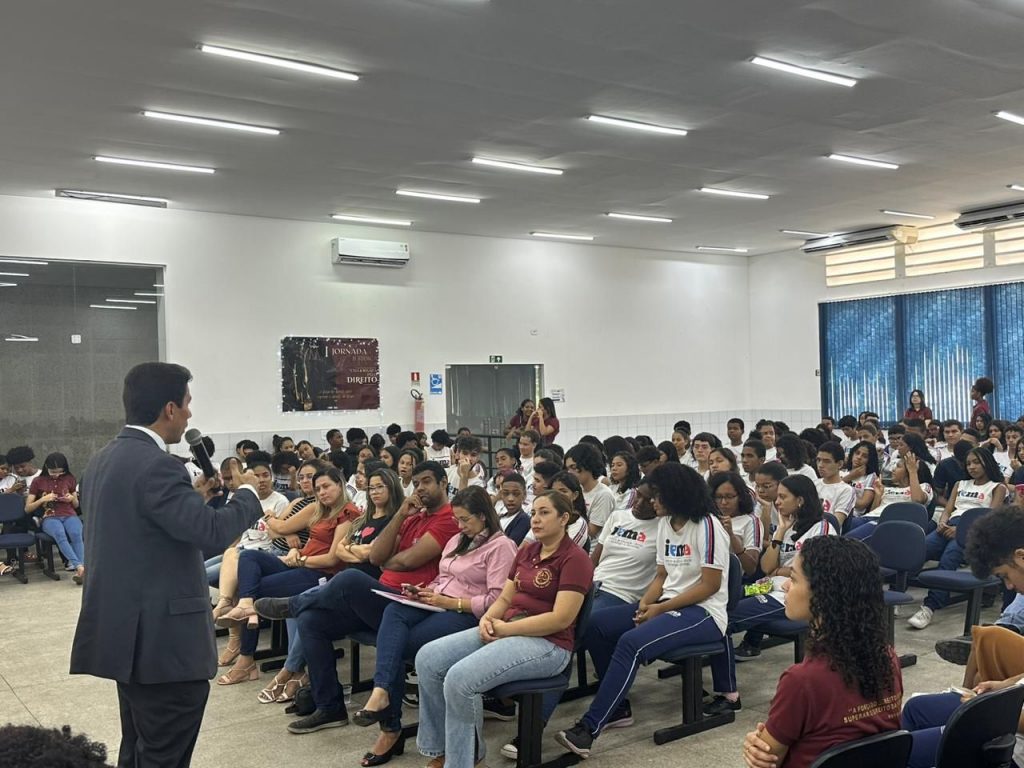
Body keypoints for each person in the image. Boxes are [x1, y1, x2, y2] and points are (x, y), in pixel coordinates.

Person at [70, 362, 263, 768]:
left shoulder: (103, 459)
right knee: (164, 754)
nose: (190, 414)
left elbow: (143, 530)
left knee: (139, 746)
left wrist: (195, 499)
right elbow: (212, 534)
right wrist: (247, 493)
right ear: (170, 408)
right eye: (187, 404)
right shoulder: (158, 464)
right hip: (163, 643)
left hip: (128, 635)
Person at [253, 461, 460, 734]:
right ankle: (329, 707)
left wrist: (386, 560)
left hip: (407, 603)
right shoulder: (413, 516)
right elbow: (377, 556)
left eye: (427, 482)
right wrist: (401, 514)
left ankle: (294, 603)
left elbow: (406, 560)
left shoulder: (448, 518)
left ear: (444, 483)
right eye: (417, 482)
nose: (420, 488)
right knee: (311, 621)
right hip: (382, 594)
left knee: (350, 578)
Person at [555, 463, 730, 757]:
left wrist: (660, 609)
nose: (651, 502)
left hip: (704, 613)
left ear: (675, 495)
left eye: (656, 496)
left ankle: (588, 729)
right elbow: (661, 575)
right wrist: (646, 604)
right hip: (668, 604)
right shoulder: (666, 523)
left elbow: (710, 585)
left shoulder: (707, 526)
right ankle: (618, 706)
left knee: (630, 642)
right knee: (595, 625)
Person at [414, 491, 593, 768]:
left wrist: (506, 629)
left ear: (564, 518)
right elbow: (505, 598)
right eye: (533, 513)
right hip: (507, 627)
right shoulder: (528, 550)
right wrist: (488, 619)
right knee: (428, 658)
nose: (535, 519)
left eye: (544, 512)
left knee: (459, 679)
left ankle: (463, 762)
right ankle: (446, 749)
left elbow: (560, 619)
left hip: (549, 644)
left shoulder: (575, 558)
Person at [350, 487, 518, 766]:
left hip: (468, 614)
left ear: (483, 516)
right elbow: (443, 577)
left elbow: (497, 600)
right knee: (394, 610)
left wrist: (451, 602)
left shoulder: (501, 547)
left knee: (404, 648)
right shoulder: (457, 540)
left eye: (465, 520)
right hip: (438, 602)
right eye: (457, 519)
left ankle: (392, 713)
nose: (460, 526)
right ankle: (382, 692)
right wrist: (424, 591)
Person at [741, 537, 902, 768]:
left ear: (823, 593)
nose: (785, 586)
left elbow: (767, 759)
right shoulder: (887, 657)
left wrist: (756, 746)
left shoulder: (801, 681)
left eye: (793, 579)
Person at [901, 505, 1024, 768]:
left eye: (1005, 576)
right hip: (1009, 718)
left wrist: (989, 711)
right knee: (916, 709)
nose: (1010, 586)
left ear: (1021, 557)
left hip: (1012, 740)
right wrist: (1005, 686)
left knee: (904, 751)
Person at [215, 465, 360, 687]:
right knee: (248, 557)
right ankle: (245, 610)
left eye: (326, 486)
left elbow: (332, 559)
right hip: (299, 563)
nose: (322, 492)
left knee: (252, 589)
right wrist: (295, 552)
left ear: (340, 485)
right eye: (318, 489)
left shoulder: (347, 514)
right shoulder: (319, 510)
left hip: (320, 573)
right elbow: (298, 537)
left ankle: (246, 657)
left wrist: (300, 559)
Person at [712, 475, 836, 701]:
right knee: (719, 605)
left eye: (782, 497)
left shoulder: (822, 528)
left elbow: (810, 572)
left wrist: (780, 571)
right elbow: (766, 566)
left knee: (723, 620)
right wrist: (780, 532)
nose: (777, 502)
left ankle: (728, 696)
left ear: (800, 500)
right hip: (766, 587)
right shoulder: (788, 525)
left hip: (790, 595)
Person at [908, 447, 1007, 629]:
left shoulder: (997, 487)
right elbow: (948, 510)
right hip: (948, 525)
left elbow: (989, 518)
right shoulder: (960, 484)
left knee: (949, 558)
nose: (972, 467)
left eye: (976, 462)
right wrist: (942, 522)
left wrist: (960, 530)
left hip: (973, 530)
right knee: (919, 550)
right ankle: (897, 590)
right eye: (968, 463)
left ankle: (929, 607)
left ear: (987, 463)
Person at [847, 450, 934, 540]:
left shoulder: (924, 486)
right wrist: (878, 495)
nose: (892, 470)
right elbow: (873, 511)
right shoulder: (887, 489)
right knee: (839, 527)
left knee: (849, 539)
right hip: (867, 518)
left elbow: (917, 500)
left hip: (888, 521)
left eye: (898, 466)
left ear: (909, 469)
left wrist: (912, 472)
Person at [25, 452, 84, 583]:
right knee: (60, 534)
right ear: (46, 467)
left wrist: (72, 498)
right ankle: (79, 567)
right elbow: (27, 508)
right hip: (50, 516)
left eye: (60, 472)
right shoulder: (38, 481)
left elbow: (76, 505)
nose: (56, 475)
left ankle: (81, 570)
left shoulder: (69, 478)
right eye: (53, 472)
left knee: (76, 534)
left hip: (69, 514)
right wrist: (42, 499)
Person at [711, 471, 764, 578]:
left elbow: (751, 568)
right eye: (718, 497)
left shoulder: (751, 521)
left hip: (734, 579)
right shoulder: (710, 519)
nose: (723, 502)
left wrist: (731, 536)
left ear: (740, 497)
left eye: (729, 497)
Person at [564, 443, 615, 539]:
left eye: (573, 467)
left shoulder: (603, 494)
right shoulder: (577, 490)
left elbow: (590, 532)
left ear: (588, 465)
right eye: (568, 469)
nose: (569, 473)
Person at [813, 443, 855, 529]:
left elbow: (836, 522)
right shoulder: (814, 484)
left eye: (826, 461)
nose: (820, 465)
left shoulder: (846, 490)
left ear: (839, 464)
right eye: (818, 460)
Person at [842, 440, 879, 513]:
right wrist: (850, 477)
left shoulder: (871, 476)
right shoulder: (842, 472)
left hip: (854, 515)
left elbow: (862, 504)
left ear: (870, 460)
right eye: (857, 453)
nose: (859, 457)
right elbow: (831, 489)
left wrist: (841, 497)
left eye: (864, 456)